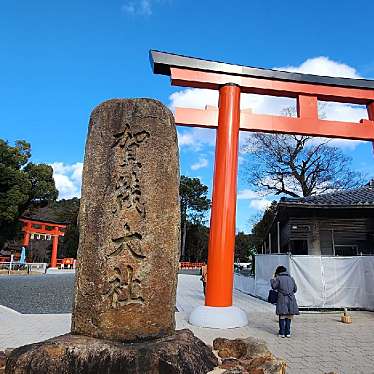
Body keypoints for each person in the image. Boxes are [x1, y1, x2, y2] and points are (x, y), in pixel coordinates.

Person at [270, 265, 299, 338]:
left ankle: (282, 333)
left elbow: (274, 287)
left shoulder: (278, 278)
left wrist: (272, 279)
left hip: (282, 298)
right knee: (289, 315)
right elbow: (295, 289)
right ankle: (288, 332)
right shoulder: (291, 278)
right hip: (291, 299)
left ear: (278, 271)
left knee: (282, 315)